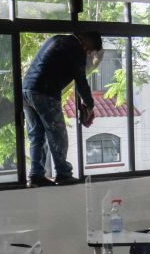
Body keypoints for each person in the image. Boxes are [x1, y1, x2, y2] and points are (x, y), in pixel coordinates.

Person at [21, 32, 102, 187]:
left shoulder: (57, 39)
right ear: (86, 43)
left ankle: (36, 175)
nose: (87, 53)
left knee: (36, 135)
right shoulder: (75, 48)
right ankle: (63, 174)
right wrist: (90, 105)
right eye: (89, 50)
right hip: (45, 92)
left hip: (26, 91)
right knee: (58, 134)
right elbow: (80, 80)